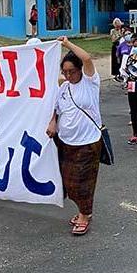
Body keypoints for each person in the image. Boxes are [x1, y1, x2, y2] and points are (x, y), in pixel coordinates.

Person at [47, 37, 102, 236]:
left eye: (72, 71)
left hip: (87, 143)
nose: (68, 75)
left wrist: (67, 44)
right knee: (69, 182)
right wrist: (53, 122)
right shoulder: (63, 88)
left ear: (80, 69)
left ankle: (85, 215)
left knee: (83, 182)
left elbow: (87, 58)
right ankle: (82, 211)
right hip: (66, 142)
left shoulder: (90, 83)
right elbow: (56, 108)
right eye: (65, 72)